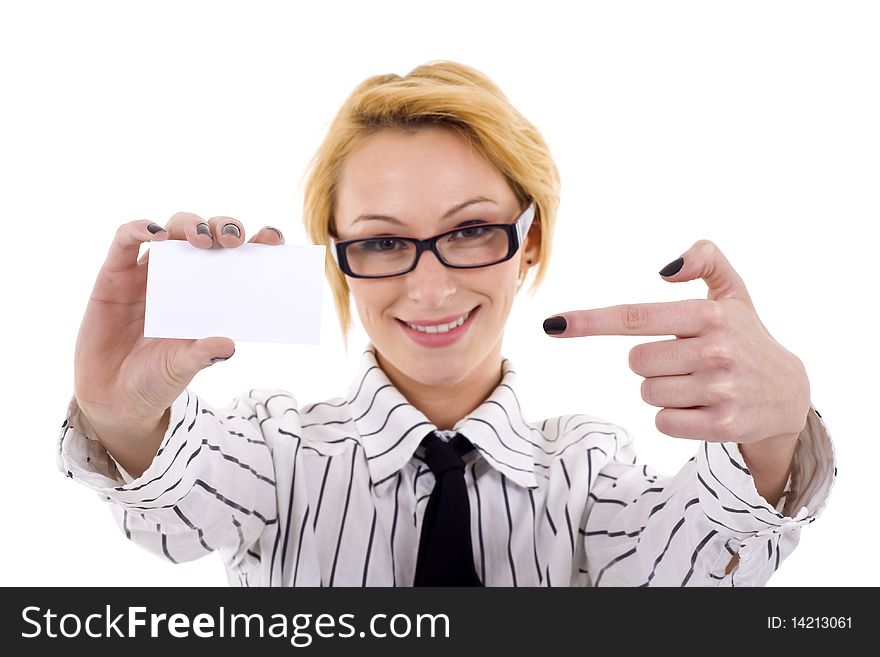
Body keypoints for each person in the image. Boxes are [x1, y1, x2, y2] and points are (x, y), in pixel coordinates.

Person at [58, 60, 834, 587]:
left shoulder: (591, 470)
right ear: (339, 256)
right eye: (384, 241)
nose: (429, 287)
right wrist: (123, 418)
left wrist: (770, 437)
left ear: (528, 242)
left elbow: (687, 574)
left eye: (468, 230)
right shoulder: (275, 449)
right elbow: (180, 507)